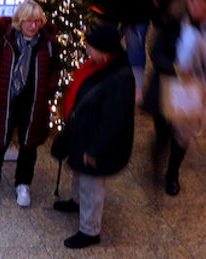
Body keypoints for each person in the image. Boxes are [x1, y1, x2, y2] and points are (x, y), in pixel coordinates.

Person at [50, 26, 137, 249]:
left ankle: (90, 231)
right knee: (81, 175)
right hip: (84, 133)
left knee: (92, 185)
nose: (86, 49)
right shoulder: (101, 66)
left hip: (97, 143)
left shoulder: (119, 79)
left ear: (104, 51)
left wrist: (96, 150)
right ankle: (77, 202)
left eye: (91, 46)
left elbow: (114, 122)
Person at [144, 0, 206, 197]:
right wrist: (176, 69)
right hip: (167, 86)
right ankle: (156, 161)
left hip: (195, 90)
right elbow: (156, 53)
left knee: (183, 136)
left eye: (198, 1)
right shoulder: (173, 20)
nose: (192, 5)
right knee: (163, 131)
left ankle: (172, 173)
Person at [0, 0, 56, 207]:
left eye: (37, 21)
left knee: (29, 144)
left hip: (33, 102)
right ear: (20, 22)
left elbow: (55, 69)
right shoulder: (5, 40)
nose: (33, 26)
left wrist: (48, 89)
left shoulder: (47, 43)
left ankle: (23, 183)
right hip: (5, 99)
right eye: (29, 21)